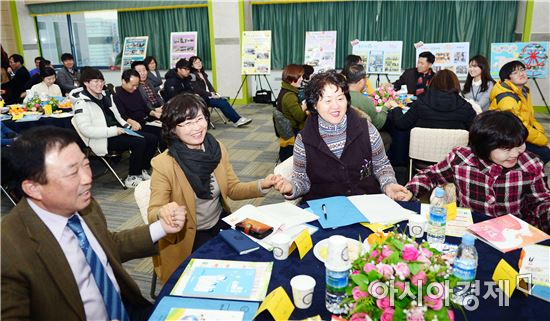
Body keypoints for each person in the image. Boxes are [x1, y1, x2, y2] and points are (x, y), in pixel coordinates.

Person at [0, 126, 186, 320]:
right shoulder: (9, 251)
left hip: (128, 310)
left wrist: (162, 227)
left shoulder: (82, 202)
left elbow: (105, 245)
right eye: (72, 173)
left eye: (86, 164)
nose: (88, 179)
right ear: (33, 188)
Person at [148, 93, 279, 282]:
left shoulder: (216, 148)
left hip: (220, 222)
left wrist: (262, 185)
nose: (196, 128)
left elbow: (232, 189)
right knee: (216, 279)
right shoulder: (163, 164)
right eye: (186, 123)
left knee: (259, 260)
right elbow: (153, 212)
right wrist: (163, 212)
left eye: (199, 119)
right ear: (173, 129)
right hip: (189, 235)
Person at [273, 70, 409, 202]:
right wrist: (291, 188)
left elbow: (381, 165)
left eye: (340, 98)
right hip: (324, 209)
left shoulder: (366, 129)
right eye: (327, 101)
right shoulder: (305, 139)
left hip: (365, 205)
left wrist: (389, 184)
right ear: (314, 104)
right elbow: (302, 181)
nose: (336, 106)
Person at [403, 111, 550, 233]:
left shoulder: (530, 165)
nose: (516, 153)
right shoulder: (461, 159)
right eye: (507, 149)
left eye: (520, 144)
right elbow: (431, 175)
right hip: (470, 229)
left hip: (513, 233)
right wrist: (411, 190)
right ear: (484, 147)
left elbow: (540, 202)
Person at [71, 68, 158, 188]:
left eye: (101, 81)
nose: (100, 84)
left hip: (117, 131)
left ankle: (142, 169)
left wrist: (127, 126)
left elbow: (118, 116)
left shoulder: (106, 96)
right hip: (102, 138)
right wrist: (113, 131)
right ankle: (132, 176)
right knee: (139, 142)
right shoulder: (81, 103)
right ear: (86, 83)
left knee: (152, 138)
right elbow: (86, 130)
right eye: (95, 81)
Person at [489, 60, 550, 165]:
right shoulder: (507, 98)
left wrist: (540, 133)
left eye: (522, 70)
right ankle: (520, 174)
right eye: (515, 72)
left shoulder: (523, 91)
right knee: (545, 152)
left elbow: (530, 118)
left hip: (517, 134)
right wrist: (544, 141)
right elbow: (518, 126)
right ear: (507, 78)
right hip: (504, 137)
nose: (521, 74)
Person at [390, 69, 476, 131]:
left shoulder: (421, 102)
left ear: (433, 83)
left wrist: (396, 108)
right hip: (456, 154)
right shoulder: (466, 107)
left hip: (422, 153)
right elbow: (476, 130)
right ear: (455, 84)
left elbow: (401, 124)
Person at [188, 56, 252, 127]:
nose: (199, 64)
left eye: (199, 62)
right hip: (202, 98)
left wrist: (215, 94)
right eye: (196, 63)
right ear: (192, 65)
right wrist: (210, 94)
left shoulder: (203, 74)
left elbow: (209, 86)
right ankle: (237, 120)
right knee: (222, 103)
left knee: (223, 100)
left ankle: (237, 119)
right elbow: (197, 90)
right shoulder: (192, 75)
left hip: (209, 96)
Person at [114, 69, 165, 151]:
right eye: (133, 85)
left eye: (137, 85)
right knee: (154, 138)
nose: (135, 88)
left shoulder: (135, 91)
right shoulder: (117, 95)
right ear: (124, 81)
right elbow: (122, 116)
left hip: (144, 120)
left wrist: (154, 113)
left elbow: (145, 108)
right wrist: (132, 122)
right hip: (134, 125)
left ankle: (162, 158)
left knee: (165, 130)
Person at [275, 64, 307, 161]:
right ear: (291, 78)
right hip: (294, 131)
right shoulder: (290, 96)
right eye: (299, 77)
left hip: (288, 131)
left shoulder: (285, 90)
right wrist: (305, 106)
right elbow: (300, 117)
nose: (302, 79)